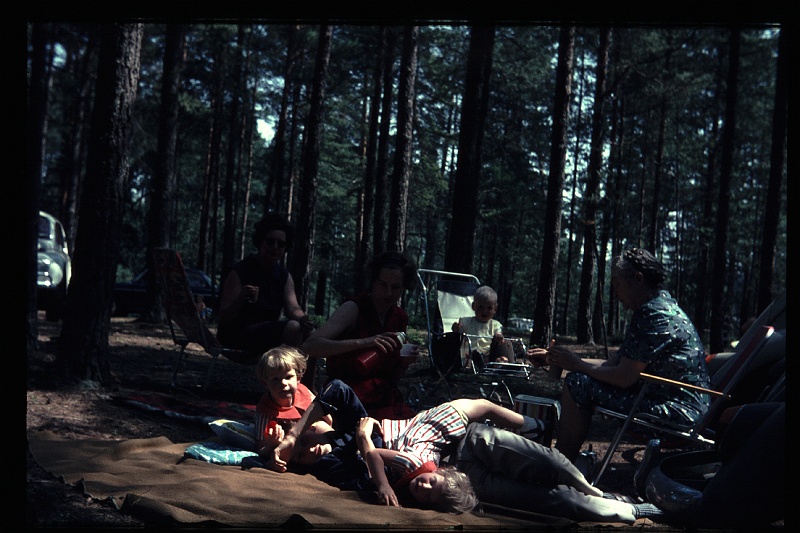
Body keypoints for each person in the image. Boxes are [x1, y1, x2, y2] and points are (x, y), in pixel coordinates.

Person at [265, 380, 661, 523]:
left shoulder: (359, 426)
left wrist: (293, 435)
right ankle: (620, 508)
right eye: (305, 452)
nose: (310, 446)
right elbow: (367, 467)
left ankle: (593, 488)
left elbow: (336, 390)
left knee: (546, 461)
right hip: (455, 479)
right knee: (545, 500)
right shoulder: (338, 466)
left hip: (464, 440)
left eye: (309, 439)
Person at [529, 248, 711, 463]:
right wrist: (558, 359)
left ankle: (559, 465)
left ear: (637, 279)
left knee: (577, 383)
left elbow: (624, 377)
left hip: (678, 413)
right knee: (579, 378)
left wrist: (576, 365)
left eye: (616, 283)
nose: (614, 293)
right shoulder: (660, 306)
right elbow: (613, 364)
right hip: (681, 405)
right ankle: (561, 462)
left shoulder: (653, 314)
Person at [301, 251, 419, 419]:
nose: (388, 293)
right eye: (382, 284)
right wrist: (363, 343)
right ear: (373, 282)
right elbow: (310, 346)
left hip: (382, 398)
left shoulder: (399, 318)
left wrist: (403, 364)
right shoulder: (353, 308)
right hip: (346, 395)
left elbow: (392, 376)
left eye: (395, 287)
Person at [216, 213, 315, 383]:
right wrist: (240, 298)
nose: (275, 247)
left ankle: (306, 385)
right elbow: (224, 317)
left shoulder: (283, 276)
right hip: (238, 335)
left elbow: (293, 308)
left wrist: (304, 319)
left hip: (267, 335)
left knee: (309, 332)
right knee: (292, 328)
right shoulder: (240, 271)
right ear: (260, 241)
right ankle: (287, 383)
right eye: (270, 241)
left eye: (281, 244)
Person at [253, 346, 333, 460]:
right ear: (265, 384)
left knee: (322, 427)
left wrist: (326, 415)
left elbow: (323, 410)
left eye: (288, 377)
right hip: (295, 446)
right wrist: (271, 444)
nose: (283, 383)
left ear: (298, 378)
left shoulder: (304, 392)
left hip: (312, 434)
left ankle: (338, 447)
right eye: (276, 379)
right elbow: (260, 450)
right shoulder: (266, 412)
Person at [451, 285, 507, 368]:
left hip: (489, 355)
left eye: (489, 308)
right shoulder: (466, 322)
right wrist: (456, 328)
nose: (485, 311)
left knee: (503, 348)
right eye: (480, 307)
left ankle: (501, 364)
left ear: (495, 309)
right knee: (470, 355)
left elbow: (499, 334)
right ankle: (478, 364)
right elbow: (457, 335)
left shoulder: (495, 325)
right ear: (474, 306)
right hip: (470, 354)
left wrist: (499, 336)